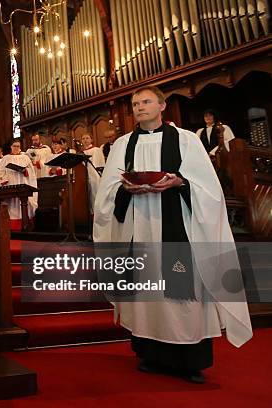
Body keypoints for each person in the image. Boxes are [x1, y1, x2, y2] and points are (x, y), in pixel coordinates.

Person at [94, 86, 252, 384]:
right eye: (135, 103)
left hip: (178, 227)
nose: (139, 107)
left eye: (146, 101)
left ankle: (189, 361)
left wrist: (180, 181)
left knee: (182, 291)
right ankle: (151, 355)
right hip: (139, 228)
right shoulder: (123, 144)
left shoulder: (186, 140)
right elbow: (107, 193)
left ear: (162, 105)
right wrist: (124, 189)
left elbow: (208, 189)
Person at [0, 139, 37, 222]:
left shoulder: (25, 157)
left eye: (18, 146)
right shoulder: (5, 158)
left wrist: (25, 171)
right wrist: (4, 180)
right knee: (12, 205)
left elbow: (32, 172)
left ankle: (25, 222)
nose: (16, 148)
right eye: (14, 146)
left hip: (23, 184)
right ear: (11, 147)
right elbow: (0, 173)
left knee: (24, 202)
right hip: (11, 185)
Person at [81, 133, 105, 213]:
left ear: (92, 140)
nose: (85, 140)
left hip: (95, 176)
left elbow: (99, 163)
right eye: (83, 138)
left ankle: (97, 212)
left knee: (96, 194)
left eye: (87, 138)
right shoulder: (81, 153)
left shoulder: (96, 150)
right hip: (85, 177)